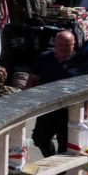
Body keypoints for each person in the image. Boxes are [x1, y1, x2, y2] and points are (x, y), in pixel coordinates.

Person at [25, 28, 76, 163]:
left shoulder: (80, 61)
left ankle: (62, 173)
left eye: (68, 46)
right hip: (47, 106)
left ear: (74, 44)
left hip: (70, 108)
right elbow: (33, 78)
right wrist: (26, 98)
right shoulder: (44, 58)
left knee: (64, 142)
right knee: (39, 138)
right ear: (55, 44)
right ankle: (53, 161)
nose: (64, 49)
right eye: (60, 45)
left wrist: (87, 111)